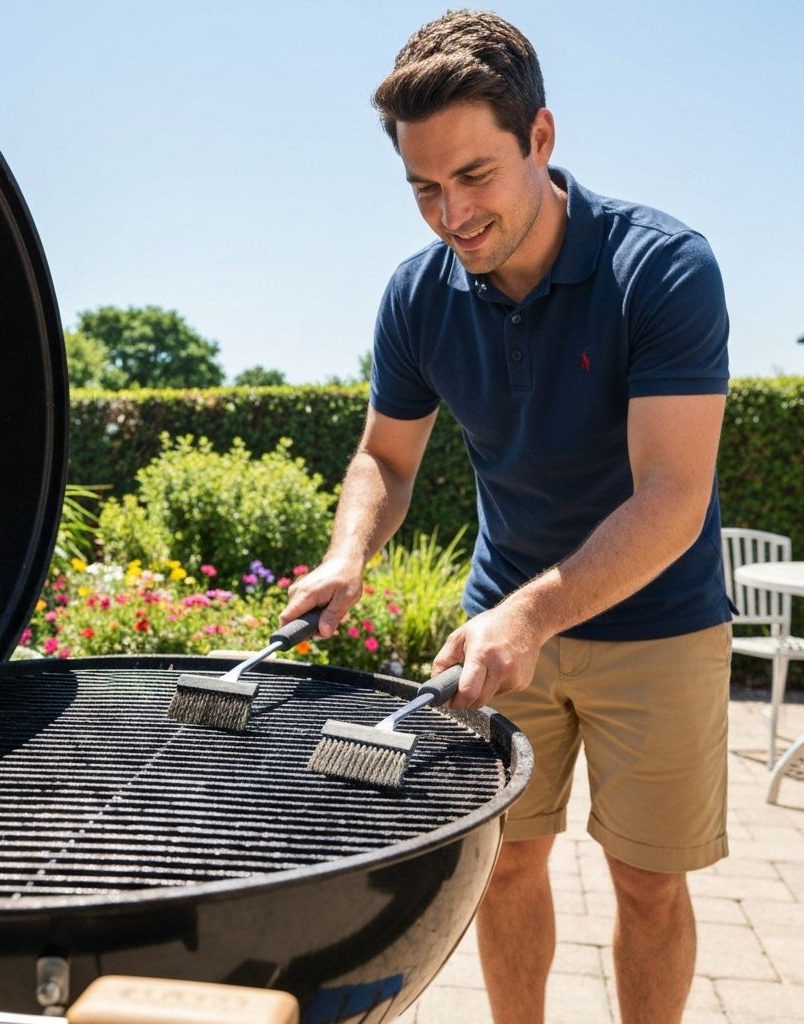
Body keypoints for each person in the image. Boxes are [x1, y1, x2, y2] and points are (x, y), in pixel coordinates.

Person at [280, 9, 732, 1024]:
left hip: (655, 624)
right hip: (498, 629)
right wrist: (348, 553)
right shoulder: (417, 298)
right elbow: (383, 459)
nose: (450, 215)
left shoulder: (660, 270)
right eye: (424, 188)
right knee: (505, 861)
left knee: (647, 881)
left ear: (540, 139)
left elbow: (671, 498)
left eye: (474, 176)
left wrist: (527, 618)